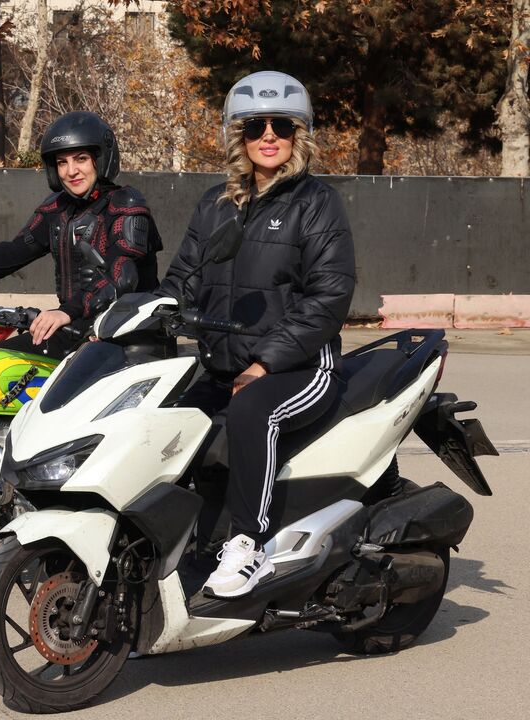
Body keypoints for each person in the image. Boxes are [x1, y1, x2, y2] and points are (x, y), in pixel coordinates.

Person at [160, 71, 355, 598]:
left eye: (281, 125)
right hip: (222, 363)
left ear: (299, 134)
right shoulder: (216, 203)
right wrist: (144, 315)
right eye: (254, 126)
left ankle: (248, 545)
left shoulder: (315, 203)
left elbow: (329, 297)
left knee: (250, 409)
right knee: (159, 417)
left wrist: (265, 361)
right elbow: (182, 279)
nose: (268, 136)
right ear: (237, 135)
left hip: (300, 368)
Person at [0, 111, 161, 359]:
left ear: (101, 159)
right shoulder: (57, 209)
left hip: (129, 337)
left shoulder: (125, 206)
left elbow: (121, 277)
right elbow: (9, 254)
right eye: (62, 162)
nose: (71, 171)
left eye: (80, 159)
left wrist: (66, 312)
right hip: (76, 329)